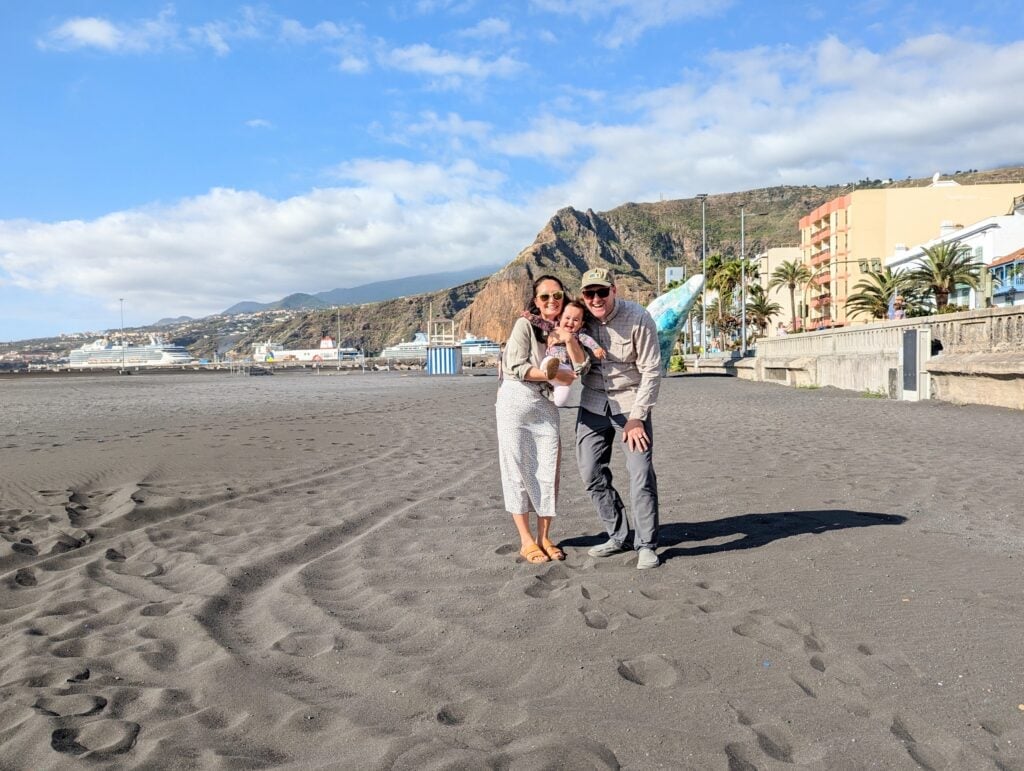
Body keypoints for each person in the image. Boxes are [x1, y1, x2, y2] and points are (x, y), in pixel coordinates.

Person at [575, 268, 662, 569]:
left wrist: (637, 417)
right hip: (593, 402)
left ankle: (647, 544)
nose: (596, 298)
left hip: (630, 405)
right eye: (589, 293)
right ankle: (618, 535)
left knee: (640, 473)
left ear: (614, 289)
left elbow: (652, 370)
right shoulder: (579, 318)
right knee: (590, 472)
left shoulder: (639, 317)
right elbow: (548, 328)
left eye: (602, 292)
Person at [496, 276, 586, 564]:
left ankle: (545, 536)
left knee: (548, 470)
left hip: (546, 405)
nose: (551, 301)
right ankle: (526, 541)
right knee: (516, 470)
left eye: (556, 295)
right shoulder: (525, 326)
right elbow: (515, 366)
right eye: (544, 297)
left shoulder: (568, 328)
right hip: (516, 402)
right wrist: (553, 375)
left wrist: (569, 339)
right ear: (535, 301)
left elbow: (581, 366)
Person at [521, 300, 606, 407]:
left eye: (575, 320)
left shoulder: (578, 335)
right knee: (547, 363)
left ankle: (548, 392)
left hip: (565, 368)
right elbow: (542, 323)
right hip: (552, 361)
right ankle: (550, 371)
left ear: (581, 323)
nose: (570, 322)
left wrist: (596, 348)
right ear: (560, 317)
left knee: (561, 402)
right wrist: (530, 317)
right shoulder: (554, 328)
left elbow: (588, 340)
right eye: (567, 318)